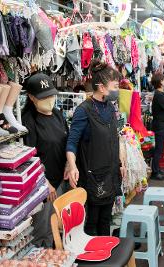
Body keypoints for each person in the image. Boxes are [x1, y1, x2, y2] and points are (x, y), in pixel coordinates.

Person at [65, 61, 125, 236]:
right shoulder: (83, 111)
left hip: (111, 172)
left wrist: (120, 162)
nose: (117, 90)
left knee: (106, 218)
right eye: (115, 86)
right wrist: (72, 166)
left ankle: (106, 255)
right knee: (92, 221)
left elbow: (115, 137)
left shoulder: (110, 107)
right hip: (93, 176)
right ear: (101, 87)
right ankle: (93, 258)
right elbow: (71, 142)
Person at [22, 73, 69, 247]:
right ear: (31, 97)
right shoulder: (28, 121)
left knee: (57, 225)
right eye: (44, 97)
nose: (49, 100)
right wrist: (44, 182)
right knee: (43, 228)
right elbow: (30, 156)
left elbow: (67, 140)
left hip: (59, 181)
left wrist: (68, 163)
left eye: (51, 95)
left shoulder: (57, 114)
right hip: (42, 184)